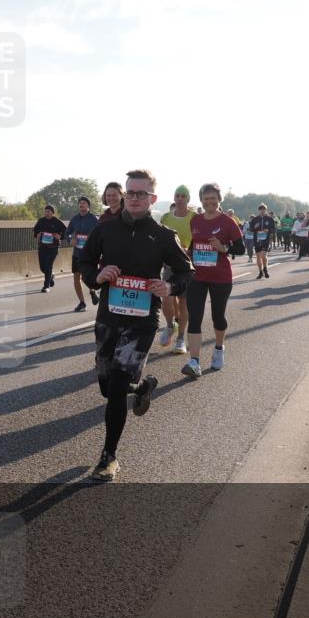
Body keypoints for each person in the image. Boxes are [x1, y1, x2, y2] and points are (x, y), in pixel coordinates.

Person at [80, 169, 193, 481]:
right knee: (107, 387)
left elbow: (186, 271)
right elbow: (84, 262)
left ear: (152, 198)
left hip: (142, 321)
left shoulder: (163, 235)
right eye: (130, 192)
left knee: (117, 386)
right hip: (108, 317)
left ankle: (108, 457)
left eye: (141, 194)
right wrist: (96, 277)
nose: (133, 198)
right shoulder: (105, 229)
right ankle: (142, 386)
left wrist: (169, 287)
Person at [182, 183, 244, 378]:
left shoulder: (228, 222)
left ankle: (219, 348)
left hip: (220, 277)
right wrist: (187, 253)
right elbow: (195, 243)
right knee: (194, 317)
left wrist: (224, 248)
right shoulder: (195, 220)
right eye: (206, 198)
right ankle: (194, 362)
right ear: (201, 200)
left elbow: (241, 248)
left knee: (218, 316)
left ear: (219, 199)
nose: (209, 202)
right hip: (198, 276)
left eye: (213, 198)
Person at [158, 185, 195, 354]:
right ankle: (169, 325)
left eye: (183, 196)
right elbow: (159, 239)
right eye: (177, 195)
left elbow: (200, 238)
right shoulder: (166, 217)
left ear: (188, 199)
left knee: (183, 302)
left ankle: (181, 339)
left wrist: (190, 250)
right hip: (169, 265)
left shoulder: (195, 217)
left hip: (187, 267)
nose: (180, 198)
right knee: (166, 299)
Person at [64, 197, 100, 312]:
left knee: (87, 277)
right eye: (80, 203)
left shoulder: (94, 219)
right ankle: (82, 303)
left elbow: (100, 234)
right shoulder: (74, 219)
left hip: (89, 255)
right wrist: (70, 240)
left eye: (84, 203)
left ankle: (92, 291)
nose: (81, 205)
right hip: (77, 253)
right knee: (76, 278)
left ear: (88, 206)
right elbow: (67, 233)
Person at [33, 206, 66, 293]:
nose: (46, 213)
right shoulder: (41, 221)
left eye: (48, 212)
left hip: (53, 247)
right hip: (42, 246)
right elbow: (35, 230)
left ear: (52, 213)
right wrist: (37, 234)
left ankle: (46, 286)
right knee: (42, 267)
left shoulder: (57, 222)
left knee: (48, 266)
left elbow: (66, 231)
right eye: (45, 212)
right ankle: (50, 276)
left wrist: (60, 236)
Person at [249, 204, 276, 279]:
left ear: (266, 210)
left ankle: (265, 269)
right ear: (259, 210)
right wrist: (255, 227)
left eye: (263, 209)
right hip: (257, 239)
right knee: (258, 256)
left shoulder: (270, 219)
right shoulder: (255, 219)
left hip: (266, 239)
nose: (262, 211)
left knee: (263, 255)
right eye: (261, 209)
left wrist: (268, 230)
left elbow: (274, 229)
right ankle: (260, 272)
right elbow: (251, 229)